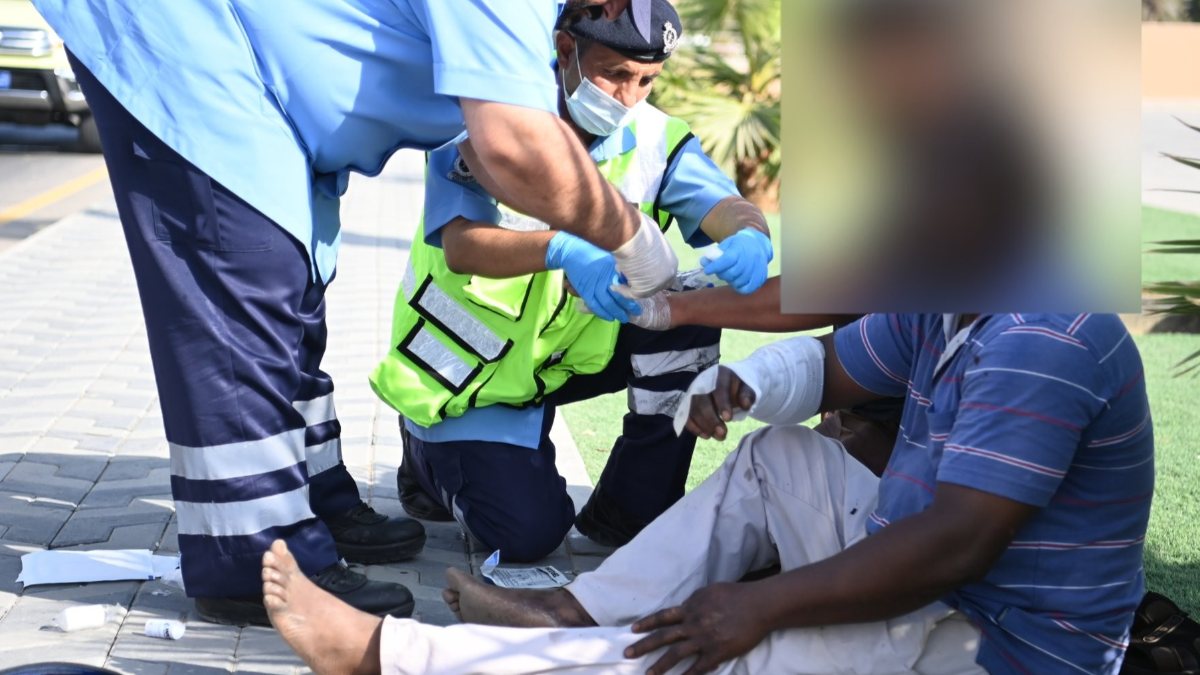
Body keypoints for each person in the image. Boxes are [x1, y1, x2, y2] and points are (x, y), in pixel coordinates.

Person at [30, 0, 678, 626]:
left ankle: (315, 502)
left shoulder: (560, 21)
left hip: (270, 92)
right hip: (195, 49)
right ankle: (253, 560)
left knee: (293, 283)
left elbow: (490, 136)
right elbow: (509, 145)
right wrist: (626, 234)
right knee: (244, 286)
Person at [258, 311, 1154, 675]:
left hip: (996, 645)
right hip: (942, 583)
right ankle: (573, 611)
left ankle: (389, 657)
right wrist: (747, 384)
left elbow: (955, 546)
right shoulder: (953, 299)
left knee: (707, 649)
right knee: (776, 457)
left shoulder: (1046, 334)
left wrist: (757, 606)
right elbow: (832, 363)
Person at [369, 0, 775, 559]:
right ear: (566, 51)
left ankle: (631, 514)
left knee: (692, 310)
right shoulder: (488, 115)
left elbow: (725, 206)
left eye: (646, 80)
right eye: (614, 74)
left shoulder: (656, 139)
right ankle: (422, 456)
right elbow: (462, 245)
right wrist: (564, 250)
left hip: (564, 359)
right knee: (527, 536)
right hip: (467, 378)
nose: (628, 97)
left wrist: (750, 234)